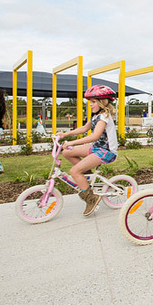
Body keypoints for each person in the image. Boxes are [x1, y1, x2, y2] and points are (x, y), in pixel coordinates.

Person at [57, 85, 118, 217]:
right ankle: (87, 177)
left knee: (74, 171)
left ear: (103, 102)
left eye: (93, 101)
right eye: (89, 102)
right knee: (67, 152)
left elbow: (94, 136)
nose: (90, 104)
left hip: (106, 152)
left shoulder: (104, 117)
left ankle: (91, 198)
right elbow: (84, 129)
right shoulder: (96, 116)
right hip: (97, 148)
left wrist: (72, 142)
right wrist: (65, 135)